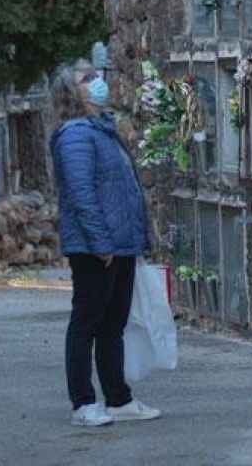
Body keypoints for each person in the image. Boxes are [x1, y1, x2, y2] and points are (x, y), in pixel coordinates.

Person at [49, 63, 161, 428]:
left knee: (113, 324)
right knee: (86, 322)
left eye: (97, 75)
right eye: (87, 79)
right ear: (73, 93)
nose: (98, 82)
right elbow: (81, 194)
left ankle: (118, 399)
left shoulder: (103, 129)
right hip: (95, 247)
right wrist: (100, 242)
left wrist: (139, 236)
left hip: (121, 243)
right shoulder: (75, 135)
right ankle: (83, 402)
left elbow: (124, 188)